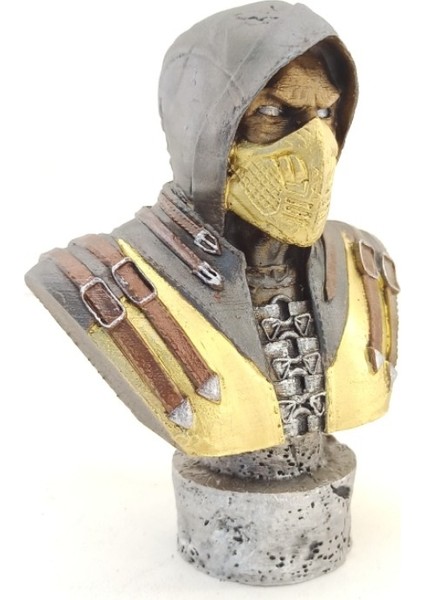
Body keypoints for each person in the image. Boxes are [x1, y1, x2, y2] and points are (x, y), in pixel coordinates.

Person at [26, 1, 399, 584]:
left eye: (327, 112)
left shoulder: (362, 262)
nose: (315, 148)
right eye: (271, 112)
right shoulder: (99, 276)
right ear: (204, 124)